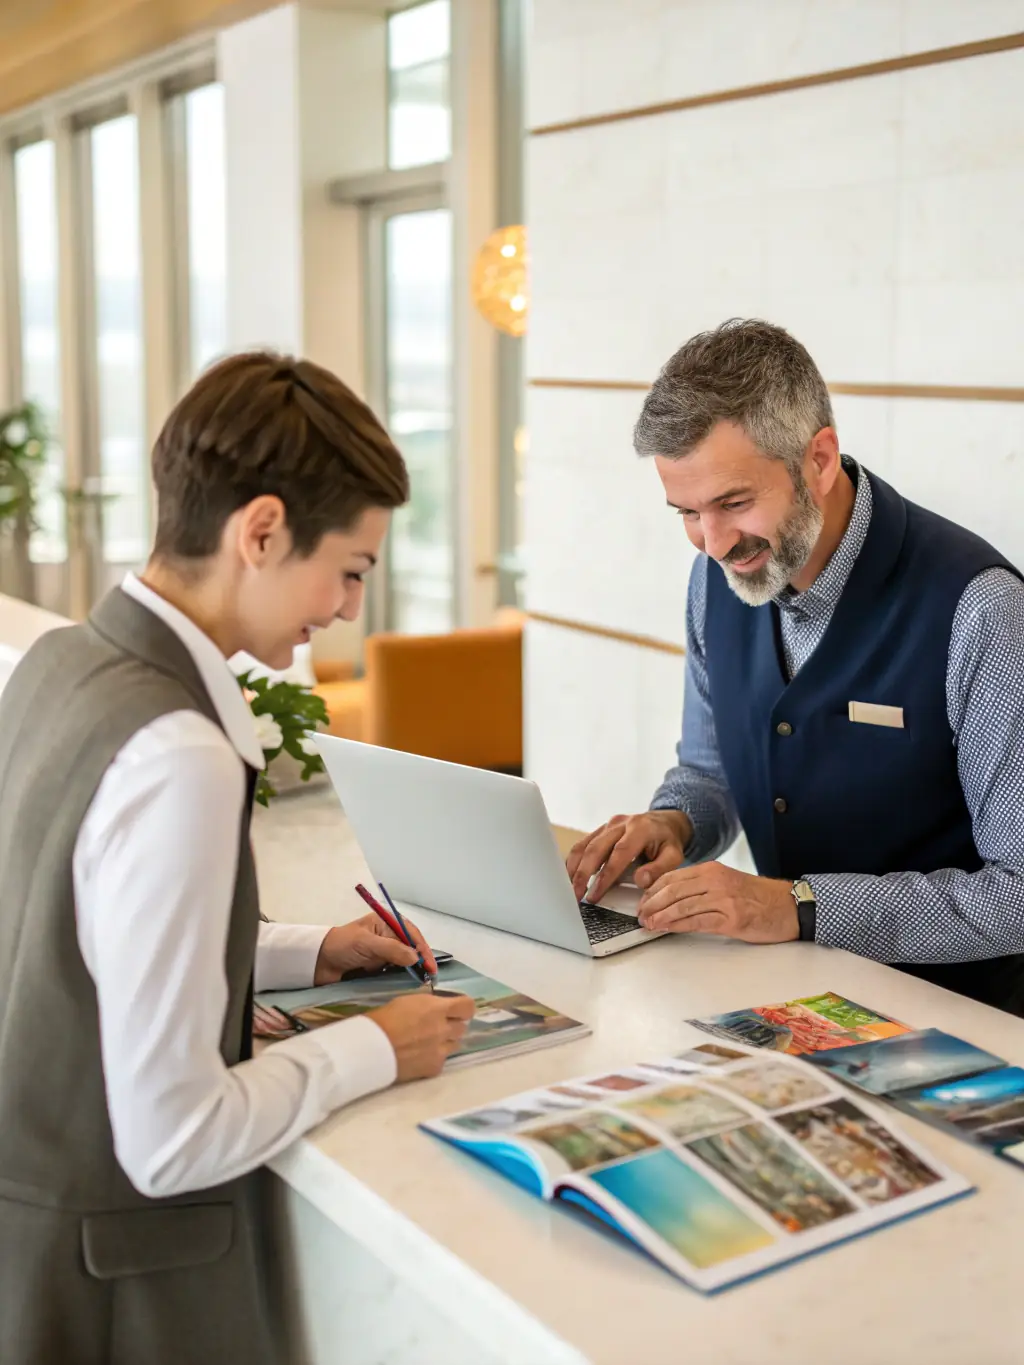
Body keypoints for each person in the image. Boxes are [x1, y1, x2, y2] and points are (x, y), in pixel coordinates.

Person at [0, 352, 476, 1365]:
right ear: (260, 531)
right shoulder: (179, 752)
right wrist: (376, 1048)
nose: (350, 607)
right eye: (348, 569)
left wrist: (312, 952)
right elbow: (173, 1139)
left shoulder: (57, 664)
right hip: (119, 1292)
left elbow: (86, 940)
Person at [568, 318, 1024, 1017]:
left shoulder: (981, 609)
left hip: (965, 1024)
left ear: (819, 458)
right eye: (686, 512)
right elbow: (710, 770)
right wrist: (674, 824)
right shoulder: (712, 580)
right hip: (792, 1001)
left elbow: (1019, 891)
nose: (714, 543)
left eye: (733, 503)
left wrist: (801, 905)